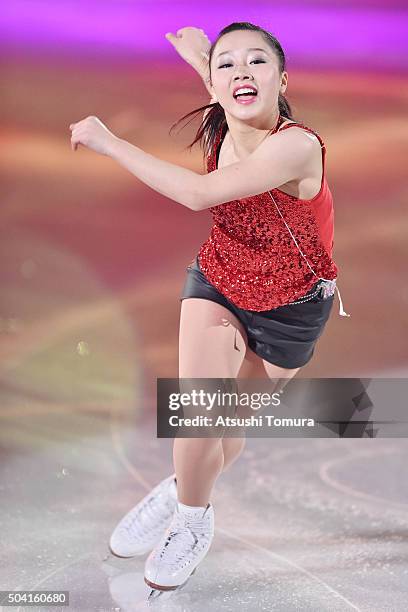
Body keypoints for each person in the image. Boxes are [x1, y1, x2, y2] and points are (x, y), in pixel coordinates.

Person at [69, 22, 351, 595]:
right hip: (219, 279)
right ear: (214, 85)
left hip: (291, 308)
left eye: (257, 63)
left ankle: (179, 488)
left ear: (283, 79)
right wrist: (200, 52)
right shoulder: (225, 107)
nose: (241, 73)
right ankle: (194, 520)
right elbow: (226, 85)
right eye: (227, 66)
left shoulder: (296, 145)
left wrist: (110, 141)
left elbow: (199, 195)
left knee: (224, 432)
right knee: (199, 411)